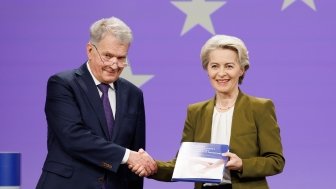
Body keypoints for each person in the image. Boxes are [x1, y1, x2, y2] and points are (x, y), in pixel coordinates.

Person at [147, 35, 285, 189]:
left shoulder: (260, 108)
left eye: (229, 66)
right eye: (214, 66)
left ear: (242, 69)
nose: (221, 73)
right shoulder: (196, 112)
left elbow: (276, 161)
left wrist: (242, 165)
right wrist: (153, 166)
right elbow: (184, 165)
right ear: (207, 70)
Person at [36, 17, 157, 189]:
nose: (114, 65)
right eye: (108, 56)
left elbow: (135, 155)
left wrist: (134, 160)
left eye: (121, 58)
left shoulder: (133, 94)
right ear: (90, 50)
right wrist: (126, 155)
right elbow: (72, 136)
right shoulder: (63, 84)